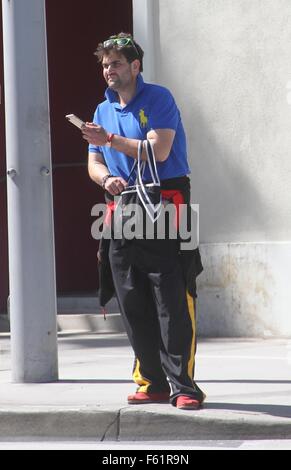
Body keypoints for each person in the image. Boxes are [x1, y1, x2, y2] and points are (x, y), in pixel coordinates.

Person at [82, 32, 205, 410]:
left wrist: (111, 140)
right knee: (131, 296)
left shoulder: (159, 98)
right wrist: (105, 178)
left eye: (116, 63)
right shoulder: (102, 110)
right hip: (121, 205)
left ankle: (183, 386)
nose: (108, 71)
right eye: (105, 64)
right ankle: (150, 380)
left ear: (135, 66)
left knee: (171, 295)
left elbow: (160, 149)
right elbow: (94, 161)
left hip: (166, 200)